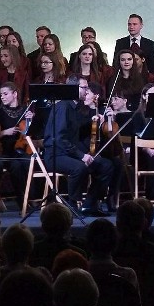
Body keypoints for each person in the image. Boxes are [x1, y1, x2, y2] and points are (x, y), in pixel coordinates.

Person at [42, 75, 114, 216]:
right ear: (73, 88)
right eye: (84, 87)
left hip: (68, 152)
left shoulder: (75, 107)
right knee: (79, 167)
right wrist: (81, 156)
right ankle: (71, 205)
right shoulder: (63, 106)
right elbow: (60, 139)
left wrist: (94, 122)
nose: (87, 91)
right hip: (56, 155)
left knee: (106, 165)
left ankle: (89, 204)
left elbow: (75, 131)